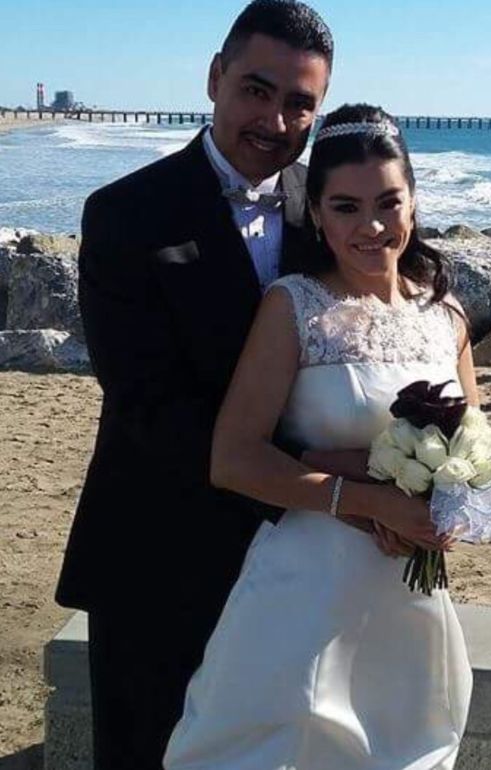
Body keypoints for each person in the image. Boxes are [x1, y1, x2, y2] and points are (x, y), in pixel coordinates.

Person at [54, 2, 334, 768]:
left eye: (300, 102)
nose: (275, 120)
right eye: (256, 90)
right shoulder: (124, 214)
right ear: (215, 78)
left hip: (303, 564)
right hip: (158, 553)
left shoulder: (331, 212)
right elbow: (144, 400)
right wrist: (313, 481)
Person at [164, 104, 476, 770]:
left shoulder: (445, 314)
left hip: (411, 599)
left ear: (414, 202)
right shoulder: (295, 306)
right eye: (345, 207)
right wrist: (369, 499)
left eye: (388, 202)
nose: (372, 226)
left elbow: (477, 455)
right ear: (317, 215)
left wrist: (445, 514)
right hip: (304, 595)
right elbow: (233, 459)